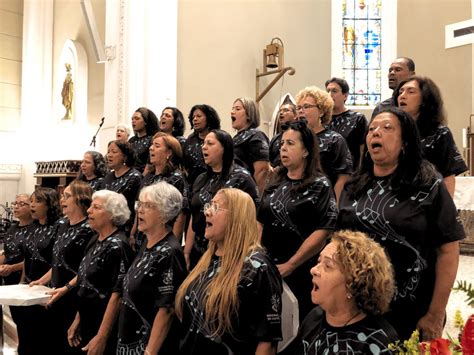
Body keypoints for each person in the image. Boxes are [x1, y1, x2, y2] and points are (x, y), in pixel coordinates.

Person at [338, 107, 465, 341]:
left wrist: (435, 314)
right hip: (358, 307)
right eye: (372, 128)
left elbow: (448, 250)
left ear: (405, 142)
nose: (376, 133)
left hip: (410, 309)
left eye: (387, 128)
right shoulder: (353, 187)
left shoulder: (428, 186)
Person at [176, 188, 282, 355]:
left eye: (216, 207)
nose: (207, 212)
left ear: (236, 218)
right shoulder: (208, 258)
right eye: (209, 206)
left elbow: (266, 343)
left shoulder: (258, 268)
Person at [258, 120, 337, 321]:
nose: (283, 148)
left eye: (291, 144)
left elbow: (323, 230)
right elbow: (261, 219)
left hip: (301, 269)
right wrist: (256, 253)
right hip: (269, 266)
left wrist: (291, 264)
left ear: (306, 151)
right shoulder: (275, 179)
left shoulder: (320, 185)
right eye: (282, 143)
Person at [291, 230, 398, 354]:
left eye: (328, 266)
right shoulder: (314, 318)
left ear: (353, 284)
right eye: (318, 261)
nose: (313, 270)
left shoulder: (379, 343)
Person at [117, 182, 187, 354]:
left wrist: (149, 352)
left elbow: (167, 310)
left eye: (147, 206)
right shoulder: (147, 244)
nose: (139, 210)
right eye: (139, 204)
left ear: (165, 214)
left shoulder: (170, 253)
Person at [30, 180, 95, 354]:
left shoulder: (89, 229)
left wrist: (65, 289)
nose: (62, 200)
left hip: (74, 296)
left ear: (81, 200)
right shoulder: (62, 224)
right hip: (57, 294)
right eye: (62, 196)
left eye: (67, 196)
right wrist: (41, 281)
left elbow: (85, 269)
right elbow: (58, 261)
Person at [67, 190, 134, 354]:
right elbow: (85, 283)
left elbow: (117, 295)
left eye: (96, 207)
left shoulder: (118, 247)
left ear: (112, 214)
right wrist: (78, 319)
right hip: (87, 320)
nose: (89, 210)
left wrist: (102, 336)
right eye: (90, 206)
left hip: (104, 325)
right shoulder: (95, 239)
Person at [184, 129, 259, 269]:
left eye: (210, 143)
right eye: (203, 143)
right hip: (199, 250)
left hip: (228, 253)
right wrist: (187, 251)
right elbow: (194, 217)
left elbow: (253, 221)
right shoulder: (201, 179)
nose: (203, 147)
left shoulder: (241, 178)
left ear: (225, 149)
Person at [393, 75, 468, 197]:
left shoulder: (439, 133)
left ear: (424, 99)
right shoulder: (392, 130)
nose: (402, 95)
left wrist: (446, 210)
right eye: (401, 91)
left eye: (410, 91)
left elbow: (448, 176)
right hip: (393, 199)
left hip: (426, 200)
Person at [17, 187, 62, 355]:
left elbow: (59, 262)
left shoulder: (59, 227)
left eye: (37, 201)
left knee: (42, 339)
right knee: (24, 335)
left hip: (46, 289)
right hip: (29, 285)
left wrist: (47, 285)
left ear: (49, 204)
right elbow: (27, 258)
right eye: (31, 201)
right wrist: (22, 281)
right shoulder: (32, 226)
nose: (32, 205)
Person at [295, 86, 352, 201]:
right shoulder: (294, 139)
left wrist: (334, 205)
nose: (301, 110)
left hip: (322, 200)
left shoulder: (334, 140)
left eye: (306, 106)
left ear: (321, 111)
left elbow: (343, 176)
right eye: (299, 107)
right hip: (295, 199)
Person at [134, 132, 189, 248]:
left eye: (157, 146)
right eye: (151, 145)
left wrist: (172, 243)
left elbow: (181, 214)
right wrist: (133, 231)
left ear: (169, 153)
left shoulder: (176, 178)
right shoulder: (147, 177)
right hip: (142, 238)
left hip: (163, 240)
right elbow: (139, 206)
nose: (151, 148)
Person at [0, 194, 34, 335]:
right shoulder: (12, 228)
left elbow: (32, 258)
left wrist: (12, 267)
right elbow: (6, 253)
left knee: (26, 322)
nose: (16, 206)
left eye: (22, 204)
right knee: (17, 319)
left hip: (24, 279)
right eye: (16, 203)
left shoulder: (34, 229)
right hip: (8, 279)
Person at [325, 77, 368, 170]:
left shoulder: (357, 119)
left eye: (334, 91)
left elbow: (363, 151)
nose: (329, 95)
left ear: (345, 96)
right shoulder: (321, 119)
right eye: (327, 91)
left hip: (349, 173)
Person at [231, 97, 270, 194]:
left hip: (247, 194)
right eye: (233, 108)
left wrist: (256, 199)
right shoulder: (235, 138)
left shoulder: (256, 136)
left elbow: (262, 170)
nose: (232, 112)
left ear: (249, 114)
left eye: (237, 109)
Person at [103, 140, 142, 234]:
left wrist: (134, 231)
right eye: (108, 152)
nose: (109, 155)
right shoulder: (108, 176)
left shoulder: (134, 177)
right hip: (107, 224)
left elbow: (138, 206)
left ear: (125, 157)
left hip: (125, 228)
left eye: (114, 152)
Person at [183, 104, 221, 185]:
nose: (195, 119)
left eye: (199, 116)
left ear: (208, 118)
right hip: (192, 185)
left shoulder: (219, 137)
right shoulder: (190, 139)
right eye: (193, 117)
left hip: (214, 182)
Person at [129, 107, 160, 173]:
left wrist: (141, 181)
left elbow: (150, 166)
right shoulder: (131, 140)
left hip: (144, 177)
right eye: (132, 119)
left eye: (137, 118)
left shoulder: (153, 139)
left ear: (145, 121)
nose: (133, 121)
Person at [269, 101, 297, 168]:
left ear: (295, 115)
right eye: (280, 111)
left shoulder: (299, 136)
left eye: (286, 110)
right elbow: (269, 159)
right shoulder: (275, 138)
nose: (281, 113)